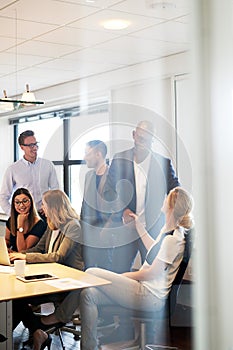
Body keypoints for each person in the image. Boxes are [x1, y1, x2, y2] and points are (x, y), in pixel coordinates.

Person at [38, 187, 194, 350]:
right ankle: (89, 347)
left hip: (149, 295)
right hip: (142, 289)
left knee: (90, 272)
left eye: (167, 198)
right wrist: (138, 225)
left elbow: (151, 273)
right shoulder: (167, 232)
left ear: (171, 206)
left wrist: (122, 276)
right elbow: (152, 250)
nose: (164, 199)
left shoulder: (173, 239)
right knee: (88, 294)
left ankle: (61, 315)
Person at [9, 189, 84, 350]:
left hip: (65, 282)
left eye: (44, 204)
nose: (42, 208)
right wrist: (17, 255)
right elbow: (39, 248)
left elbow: (58, 256)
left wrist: (25, 258)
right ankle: (35, 332)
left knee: (19, 299)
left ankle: (8, 334)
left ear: (54, 206)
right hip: (50, 276)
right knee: (16, 297)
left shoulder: (73, 226)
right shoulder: (52, 225)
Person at [103, 120, 180, 272]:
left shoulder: (163, 163)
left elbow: (177, 191)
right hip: (125, 229)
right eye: (139, 137)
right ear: (134, 135)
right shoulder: (119, 160)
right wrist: (122, 211)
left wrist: (172, 217)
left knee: (153, 273)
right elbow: (108, 192)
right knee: (118, 272)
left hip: (152, 230)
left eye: (147, 139)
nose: (142, 142)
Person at [0, 130, 59, 219]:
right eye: (30, 145)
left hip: (46, 215)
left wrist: (50, 207)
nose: (34, 148)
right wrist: (14, 215)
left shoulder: (48, 165)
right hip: (24, 216)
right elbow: (3, 197)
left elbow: (56, 190)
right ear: (22, 147)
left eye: (35, 144)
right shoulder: (13, 169)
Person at [81, 140, 112, 270]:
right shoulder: (89, 176)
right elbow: (85, 204)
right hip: (89, 233)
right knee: (89, 270)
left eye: (87, 154)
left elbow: (117, 208)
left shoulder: (113, 175)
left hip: (106, 233)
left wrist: (106, 229)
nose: (84, 158)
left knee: (105, 271)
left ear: (98, 154)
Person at [5, 187, 47, 252]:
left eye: (25, 201)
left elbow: (22, 250)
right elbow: (7, 240)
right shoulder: (11, 220)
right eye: (17, 202)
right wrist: (5, 249)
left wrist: (20, 225)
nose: (21, 205)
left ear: (31, 202)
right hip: (13, 257)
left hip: (28, 259)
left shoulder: (39, 224)